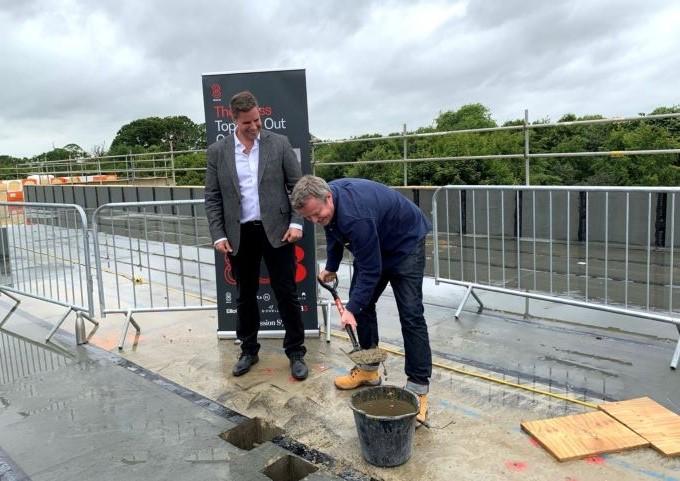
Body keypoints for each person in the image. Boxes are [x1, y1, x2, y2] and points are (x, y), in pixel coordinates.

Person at [291, 175, 432, 423]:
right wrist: (332, 265)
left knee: (411, 314)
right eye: (309, 217)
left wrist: (351, 309)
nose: (315, 220)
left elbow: (371, 268)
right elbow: (332, 229)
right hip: (376, 241)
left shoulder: (356, 216)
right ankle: (369, 370)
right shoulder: (327, 204)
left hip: (405, 244)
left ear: (328, 198)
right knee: (363, 306)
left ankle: (418, 388)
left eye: (317, 214)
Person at [204, 90, 308, 380]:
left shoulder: (280, 144)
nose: (255, 127)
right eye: (247, 122)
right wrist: (217, 234)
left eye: (258, 120)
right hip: (240, 234)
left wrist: (297, 222)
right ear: (234, 119)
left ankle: (296, 351)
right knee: (245, 296)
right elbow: (212, 197)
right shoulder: (218, 152)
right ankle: (248, 349)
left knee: (286, 293)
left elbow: (298, 186)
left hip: (277, 231)